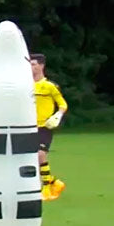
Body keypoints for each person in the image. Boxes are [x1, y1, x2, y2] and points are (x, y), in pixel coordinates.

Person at [31, 53, 68, 201]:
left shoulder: (49, 86)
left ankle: (46, 187)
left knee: (41, 154)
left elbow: (63, 104)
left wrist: (57, 115)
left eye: (33, 64)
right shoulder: (25, 85)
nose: (30, 67)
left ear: (41, 66)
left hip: (44, 126)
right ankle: (54, 182)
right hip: (28, 126)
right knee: (30, 157)